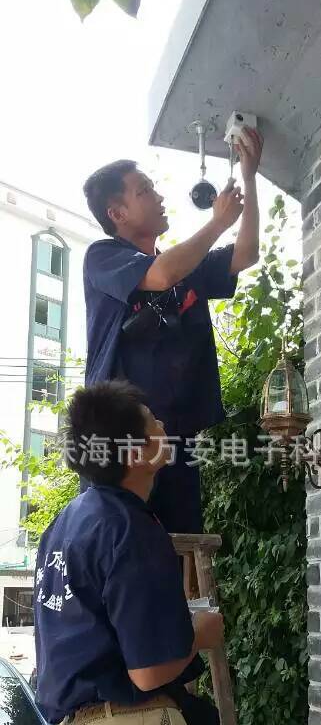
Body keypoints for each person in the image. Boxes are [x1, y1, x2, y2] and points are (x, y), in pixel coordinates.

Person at [33, 380, 282, 725]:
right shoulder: (130, 527)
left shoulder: (65, 526)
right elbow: (149, 671)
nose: (165, 428)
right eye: (153, 424)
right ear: (134, 453)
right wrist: (201, 632)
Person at [82, 129, 263, 534]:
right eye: (145, 191)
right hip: (120, 436)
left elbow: (246, 253)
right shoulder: (104, 257)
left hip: (176, 437)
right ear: (117, 213)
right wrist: (218, 222)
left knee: (181, 548)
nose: (159, 196)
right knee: (118, 539)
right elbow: (161, 275)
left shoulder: (185, 266)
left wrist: (249, 178)